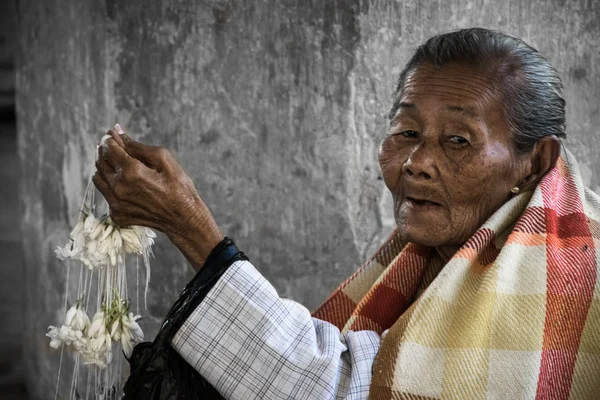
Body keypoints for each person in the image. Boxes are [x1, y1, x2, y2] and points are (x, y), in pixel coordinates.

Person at [94, 28, 600, 399]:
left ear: (535, 161)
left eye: (458, 141)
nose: (416, 163)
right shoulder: (441, 246)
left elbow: (347, 391)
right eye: (406, 133)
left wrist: (190, 227)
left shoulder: (564, 279)